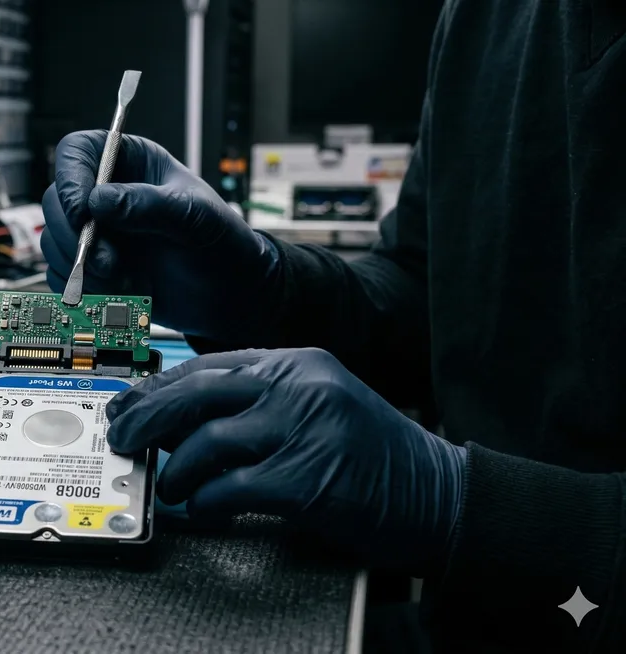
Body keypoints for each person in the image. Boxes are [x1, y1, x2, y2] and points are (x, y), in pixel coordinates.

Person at [40, 1, 626, 652]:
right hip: (470, 613)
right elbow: (422, 287)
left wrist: (466, 505)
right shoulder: (482, 16)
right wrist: (257, 287)